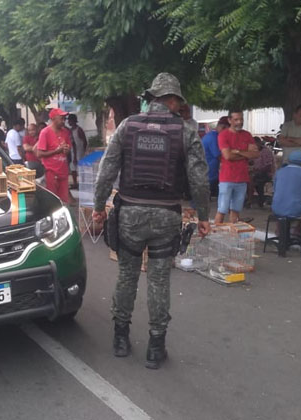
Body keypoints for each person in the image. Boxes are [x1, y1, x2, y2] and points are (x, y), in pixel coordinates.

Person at [92, 73, 210, 369]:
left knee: (127, 276)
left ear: (152, 97)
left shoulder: (127, 126)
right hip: (167, 216)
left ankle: (120, 339)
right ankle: (156, 348)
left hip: (129, 213)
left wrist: (98, 208)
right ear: (172, 100)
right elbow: (198, 179)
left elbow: (106, 171)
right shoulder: (185, 132)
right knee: (159, 280)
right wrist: (204, 216)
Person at [215, 110, 259, 224]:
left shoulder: (247, 135)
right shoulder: (223, 135)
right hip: (227, 178)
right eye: (236, 120)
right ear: (229, 120)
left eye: (241, 119)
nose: (239, 122)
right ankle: (214, 237)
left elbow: (255, 154)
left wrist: (238, 152)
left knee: (235, 211)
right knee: (222, 210)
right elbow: (227, 156)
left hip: (242, 179)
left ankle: (232, 237)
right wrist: (245, 154)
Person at [271, 150, 301, 228]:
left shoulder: (279, 172)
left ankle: (279, 230)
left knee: (281, 209)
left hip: (276, 208)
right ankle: (298, 229)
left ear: (288, 160)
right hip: (295, 209)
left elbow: (275, 191)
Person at [37, 108, 72, 204]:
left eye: (64, 118)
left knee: (63, 202)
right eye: (61, 118)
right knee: (52, 202)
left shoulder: (65, 132)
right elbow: (39, 153)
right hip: (50, 173)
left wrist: (67, 150)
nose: (64, 121)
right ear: (53, 119)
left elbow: (68, 149)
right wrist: (56, 151)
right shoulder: (45, 133)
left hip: (63, 173)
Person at [278, 105, 301, 172]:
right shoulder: (286, 126)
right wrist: (300, 142)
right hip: (287, 162)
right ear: (295, 115)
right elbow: (282, 141)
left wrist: (290, 139)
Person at [201, 116, 230, 198]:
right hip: (209, 172)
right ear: (223, 127)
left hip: (210, 171)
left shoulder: (212, 135)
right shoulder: (213, 137)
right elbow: (219, 156)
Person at [249, 136, 275, 208]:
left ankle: (254, 200)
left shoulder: (266, 152)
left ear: (259, 143)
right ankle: (249, 199)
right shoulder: (252, 151)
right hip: (255, 172)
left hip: (266, 173)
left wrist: (257, 170)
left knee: (255, 179)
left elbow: (268, 166)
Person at [67, 114, 88, 190]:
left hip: (78, 152)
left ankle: (82, 183)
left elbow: (81, 142)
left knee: (79, 168)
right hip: (74, 152)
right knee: (73, 168)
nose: (68, 122)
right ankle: (75, 183)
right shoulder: (70, 130)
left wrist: (81, 152)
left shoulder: (78, 130)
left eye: (69, 120)